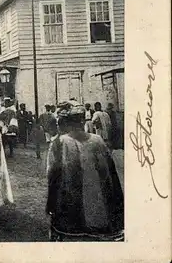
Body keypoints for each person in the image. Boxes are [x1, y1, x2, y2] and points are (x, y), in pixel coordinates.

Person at [46, 101, 124, 241]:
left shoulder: (60, 142)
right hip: (99, 207)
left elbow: (51, 174)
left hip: (69, 206)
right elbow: (109, 173)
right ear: (82, 121)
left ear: (66, 122)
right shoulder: (97, 140)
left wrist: (52, 202)